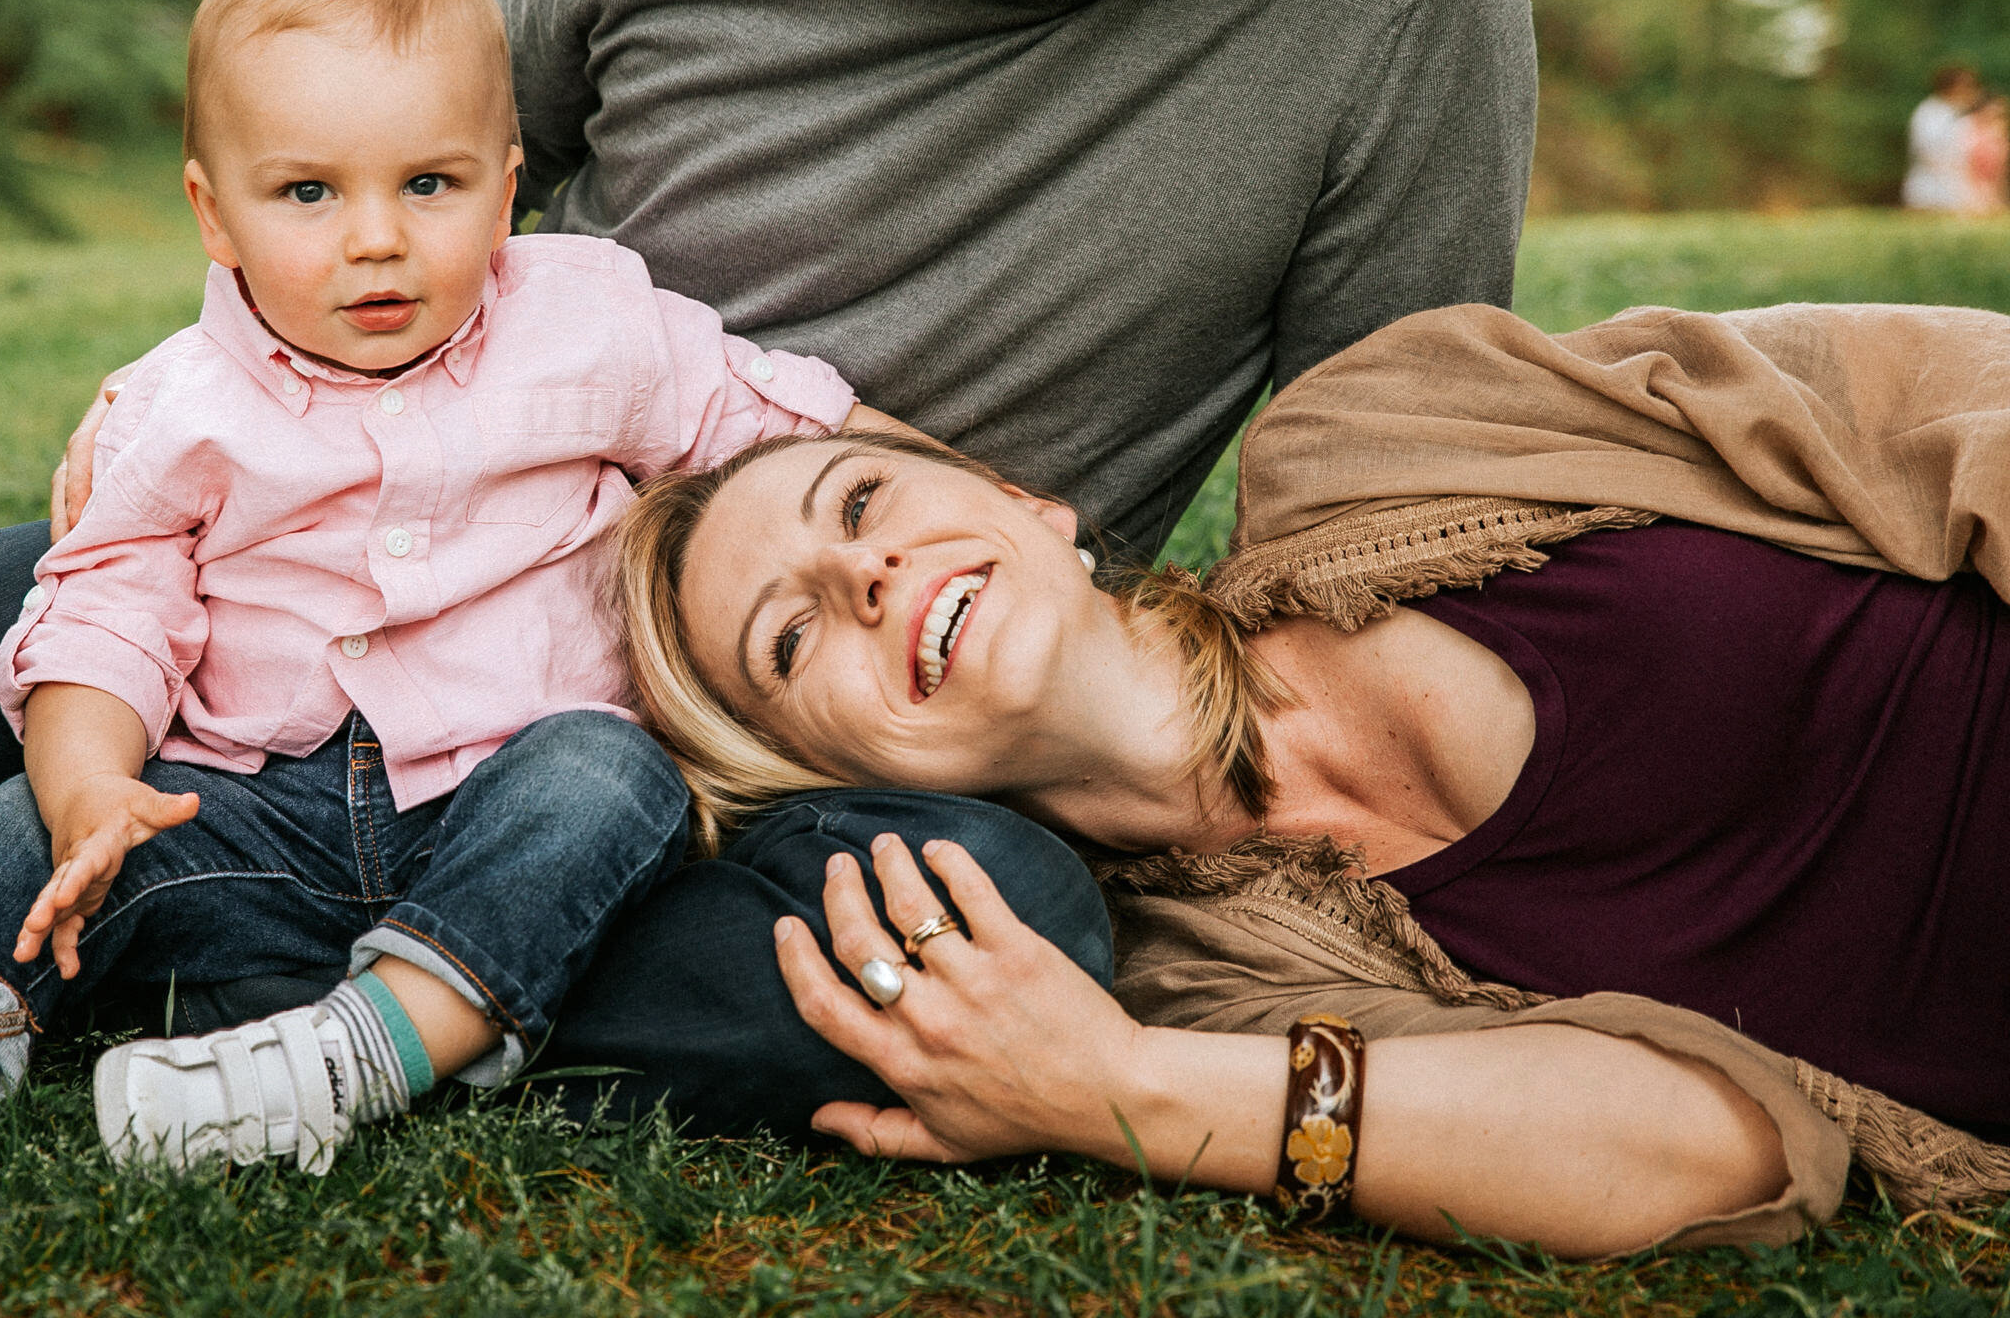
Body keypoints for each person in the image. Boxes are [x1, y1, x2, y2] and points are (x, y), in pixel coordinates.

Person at [0, 0, 1530, 1128]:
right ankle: (354, 988)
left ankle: (260, 992)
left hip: (821, 718)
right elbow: (392, 155)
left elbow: (1380, 508)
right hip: (348, 567)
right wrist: (194, 427)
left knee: (987, 932)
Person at [0, 0, 905, 1185]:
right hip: (257, 807)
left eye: (430, 184)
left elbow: (784, 417)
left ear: (509, 182)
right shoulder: (183, 408)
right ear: (214, 212)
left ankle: (350, 1054)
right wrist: (91, 787)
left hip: (512, 801)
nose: (375, 238)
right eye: (308, 192)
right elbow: (104, 608)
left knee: (608, 773)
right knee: (41, 830)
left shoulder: (591, 322)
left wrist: (978, 500)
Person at [612, 299, 2010, 1257]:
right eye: (789, 641)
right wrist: (1130, 1086)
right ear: (827, 778)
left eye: (861, 503)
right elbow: (1706, 1152)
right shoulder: (1198, 988)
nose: (862, 574)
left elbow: (1927, 402)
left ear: (1023, 500)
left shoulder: (1378, 434)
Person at [1904, 63, 1983, 211]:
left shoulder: (1960, 114)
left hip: (1958, 188)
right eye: (1967, 86)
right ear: (1954, 87)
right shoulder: (1929, 113)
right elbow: (1928, 152)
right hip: (1930, 188)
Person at [1963, 94, 2008, 215]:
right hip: (1966, 188)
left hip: (1989, 189)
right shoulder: (1966, 130)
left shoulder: (1997, 134)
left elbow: (1998, 172)